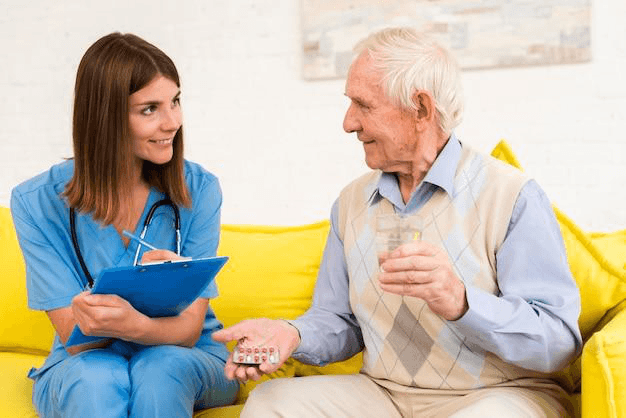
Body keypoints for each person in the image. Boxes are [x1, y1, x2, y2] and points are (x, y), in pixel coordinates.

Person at [213, 27, 582, 417]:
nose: (348, 122)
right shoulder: (352, 203)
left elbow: (556, 340)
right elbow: (340, 321)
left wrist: (462, 302)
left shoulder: (511, 195)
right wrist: (292, 333)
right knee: (272, 404)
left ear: (420, 108)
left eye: (363, 105)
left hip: (499, 394)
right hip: (385, 395)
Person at [10, 32, 239, 418]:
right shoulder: (36, 202)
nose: (172, 123)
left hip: (185, 353)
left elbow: (187, 330)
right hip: (83, 362)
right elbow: (76, 341)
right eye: (149, 109)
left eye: (175, 102)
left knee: (160, 368)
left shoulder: (199, 189)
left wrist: (138, 326)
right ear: (106, 116)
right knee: (96, 380)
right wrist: (134, 320)